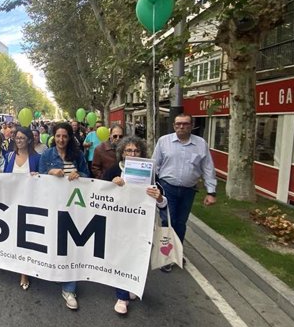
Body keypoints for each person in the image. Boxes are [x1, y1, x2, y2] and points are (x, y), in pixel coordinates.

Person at [103, 136, 168, 316]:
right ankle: (121, 296)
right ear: (122, 153)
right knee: (121, 257)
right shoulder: (113, 170)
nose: (132, 154)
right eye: (128, 151)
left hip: (141, 225)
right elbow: (99, 195)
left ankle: (131, 284)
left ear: (142, 153)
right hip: (118, 223)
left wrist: (159, 197)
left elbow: (163, 203)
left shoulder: (150, 172)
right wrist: (113, 186)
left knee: (136, 257)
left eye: (136, 151)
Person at [153, 113, 216, 272]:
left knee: (180, 223)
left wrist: (211, 192)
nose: (181, 127)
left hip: (189, 190)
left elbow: (208, 168)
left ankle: (177, 252)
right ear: (174, 125)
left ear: (191, 125)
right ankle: (167, 257)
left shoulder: (201, 144)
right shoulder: (163, 142)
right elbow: (154, 164)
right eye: (178, 124)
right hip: (168, 188)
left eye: (185, 124)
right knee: (168, 221)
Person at [39, 122, 90, 310]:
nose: (61, 140)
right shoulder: (46, 155)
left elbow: (88, 175)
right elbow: (38, 179)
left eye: (65, 136)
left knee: (70, 246)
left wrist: (80, 174)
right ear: (54, 137)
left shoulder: (78, 155)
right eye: (58, 136)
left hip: (74, 208)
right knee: (53, 242)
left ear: (70, 138)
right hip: (52, 207)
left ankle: (69, 288)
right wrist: (49, 172)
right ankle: (52, 270)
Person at [4, 127, 41, 290]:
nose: (19, 140)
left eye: (22, 138)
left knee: (26, 238)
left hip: (30, 203)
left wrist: (38, 177)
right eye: (17, 138)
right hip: (12, 203)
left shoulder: (37, 158)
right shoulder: (9, 156)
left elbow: (44, 180)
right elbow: (5, 178)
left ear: (29, 140)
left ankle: (24, 272)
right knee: (15, 237)